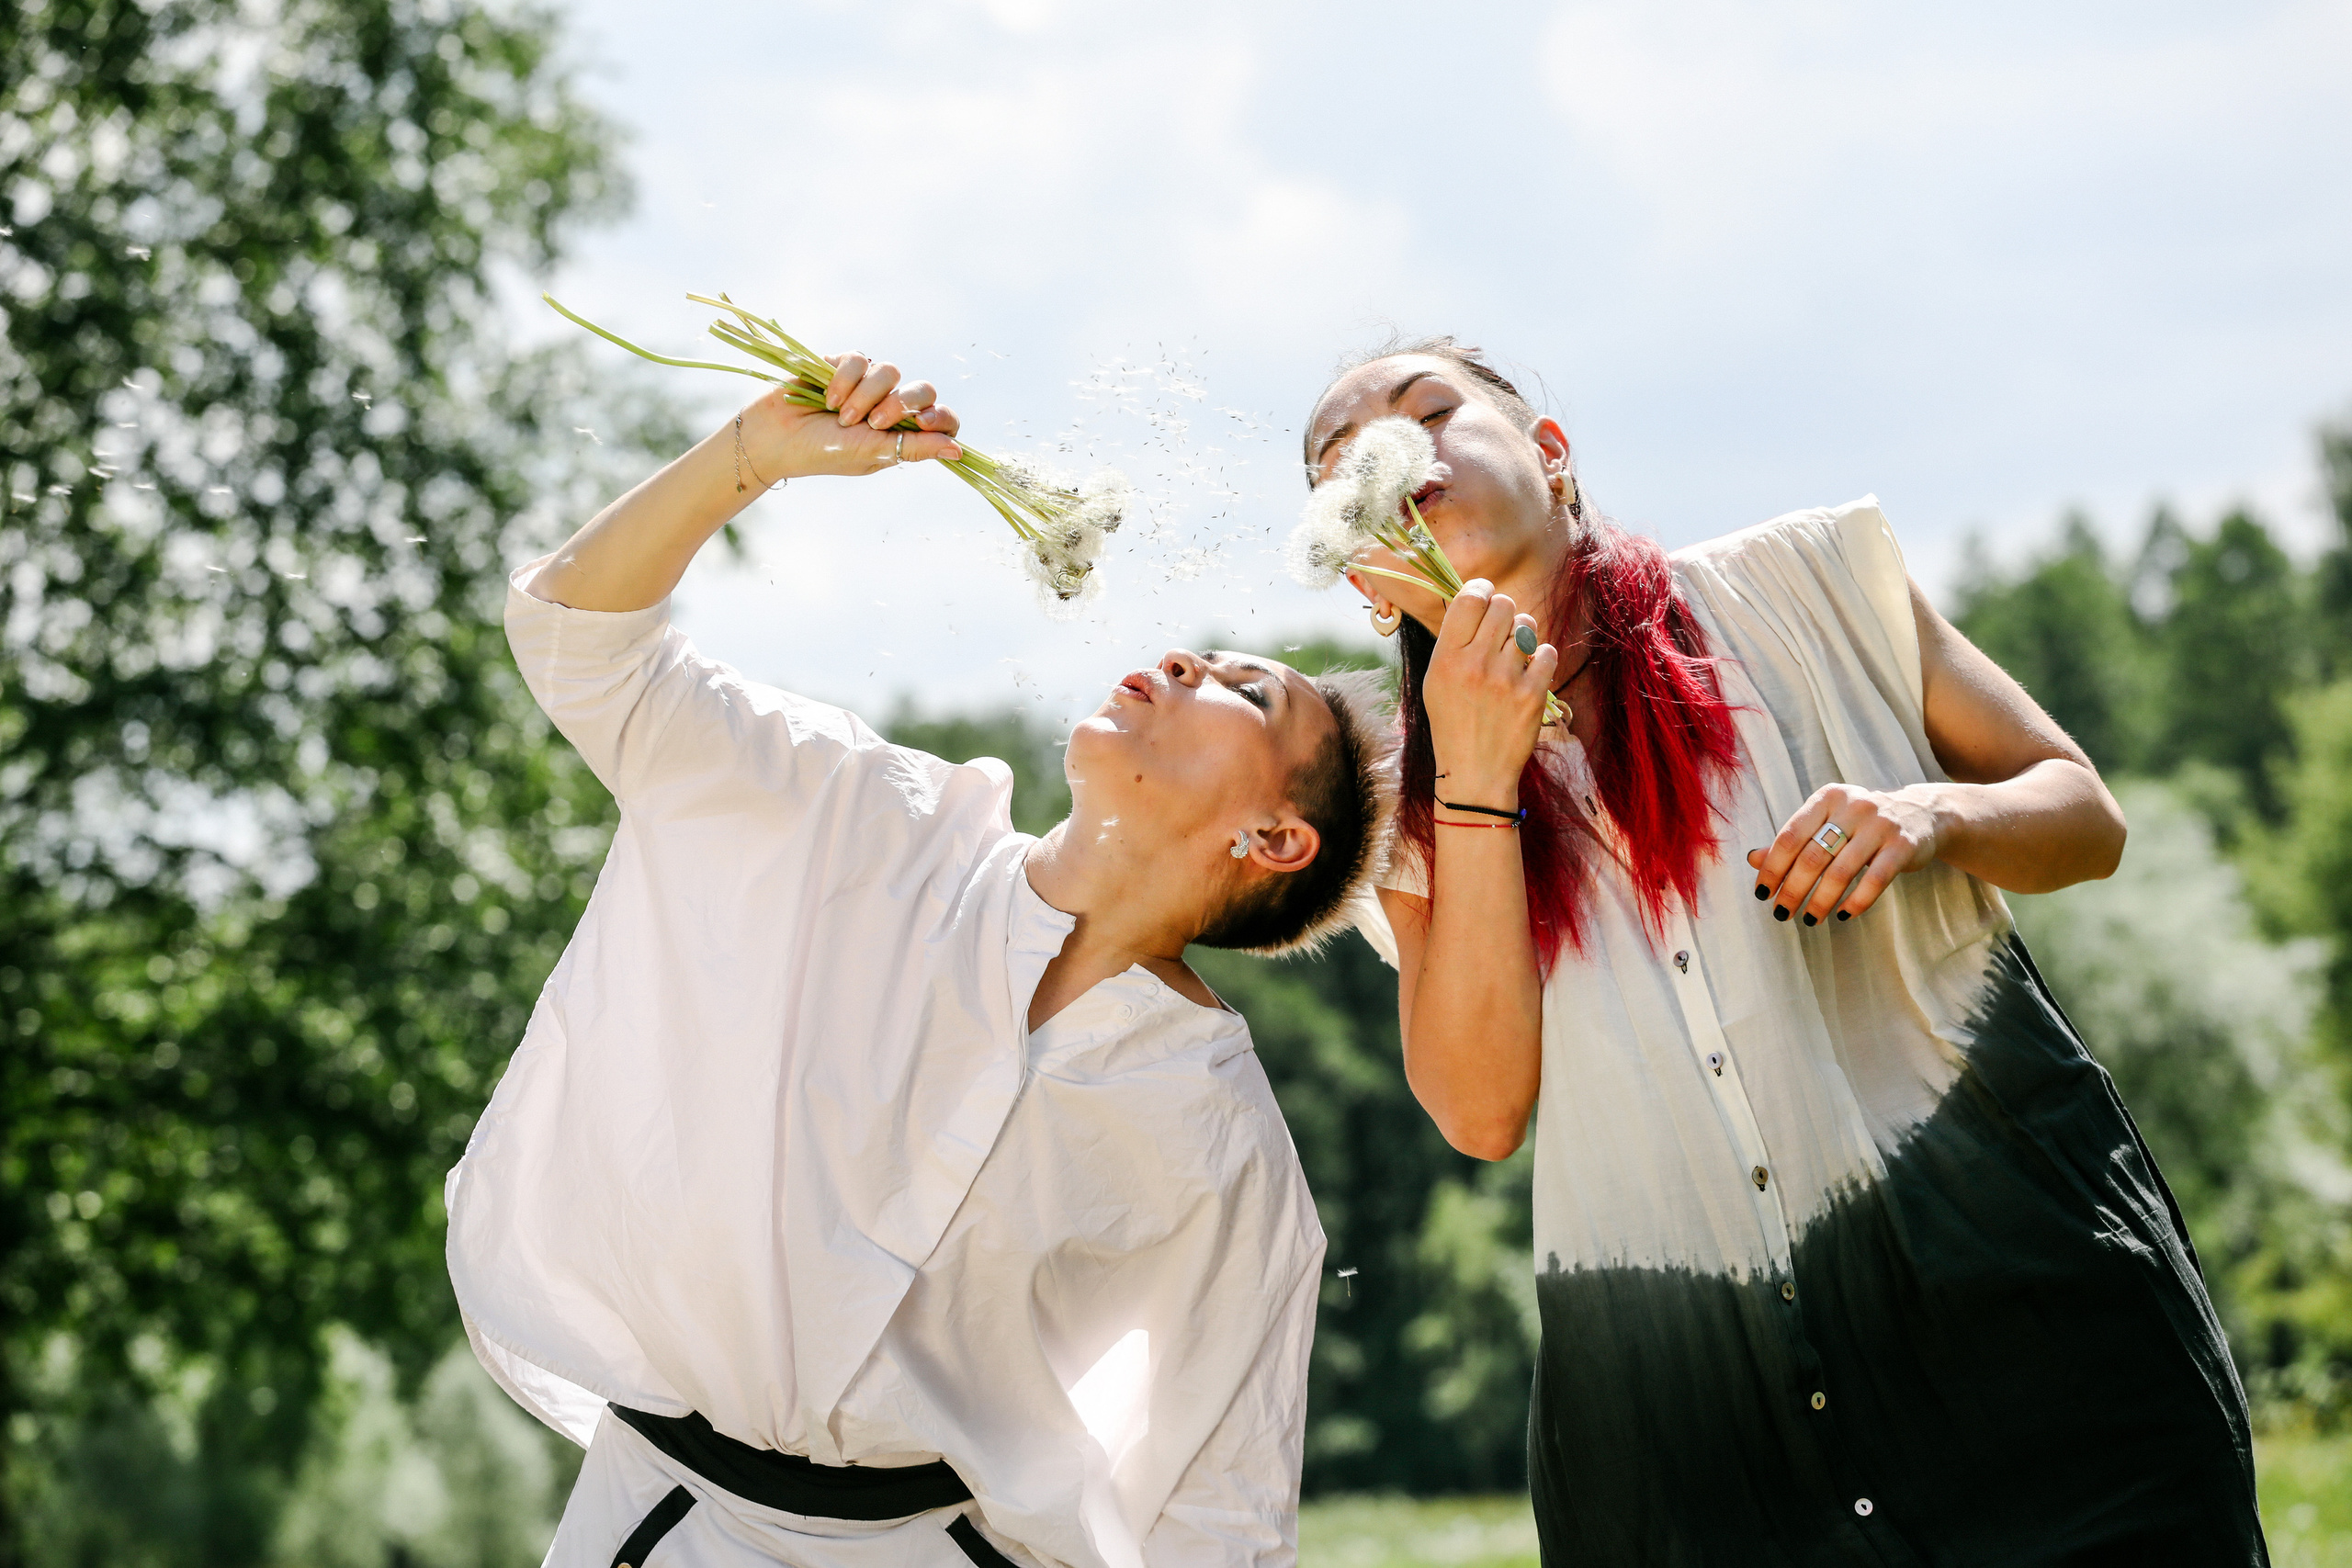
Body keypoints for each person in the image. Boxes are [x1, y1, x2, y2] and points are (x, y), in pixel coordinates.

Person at [1305, 337, 2267, 1564]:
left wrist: (1932, 817)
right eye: (1342, 465)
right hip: (1684, 1439)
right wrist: (1483, 786)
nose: (1391, 458)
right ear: (1361, 579)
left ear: (1553, 457)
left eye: (1431, 412)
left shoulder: (1808, 584)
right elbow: (1482, 1111)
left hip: (2025, 1316)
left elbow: (2084, 817)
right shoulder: (1411, 813)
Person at [445, 353, 1389, 1568]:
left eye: (1243, 692)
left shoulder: (1218, 1138)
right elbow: (577, 642)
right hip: (655, 1525)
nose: (1182, 662)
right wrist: (752, 456)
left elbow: (1222, 1509)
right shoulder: (856, 815)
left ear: (1275, 838)